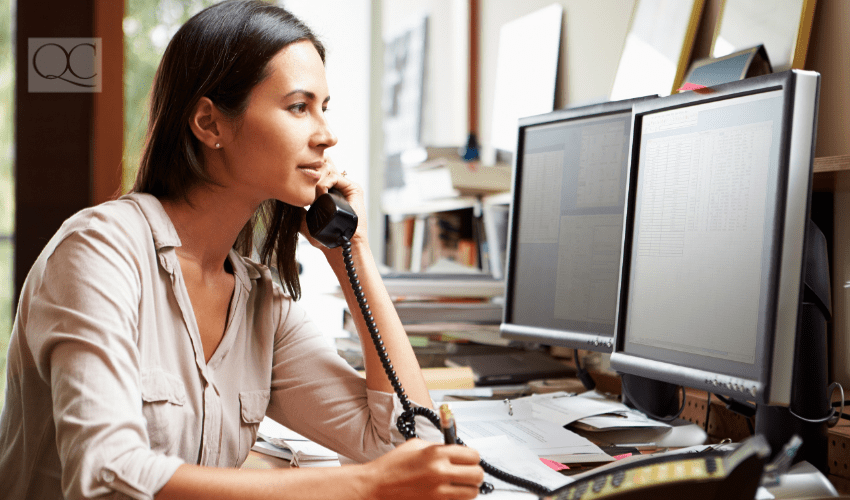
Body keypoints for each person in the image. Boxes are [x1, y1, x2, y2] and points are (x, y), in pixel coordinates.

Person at [0, 1, 485, 498]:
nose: (326, 134)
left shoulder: (259, 304)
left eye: (325, 107)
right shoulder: (98, 253)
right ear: (210, 124)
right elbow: (106, 475)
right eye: (299, 107)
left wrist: (352, 253)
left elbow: (409, 445)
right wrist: (364, 485)